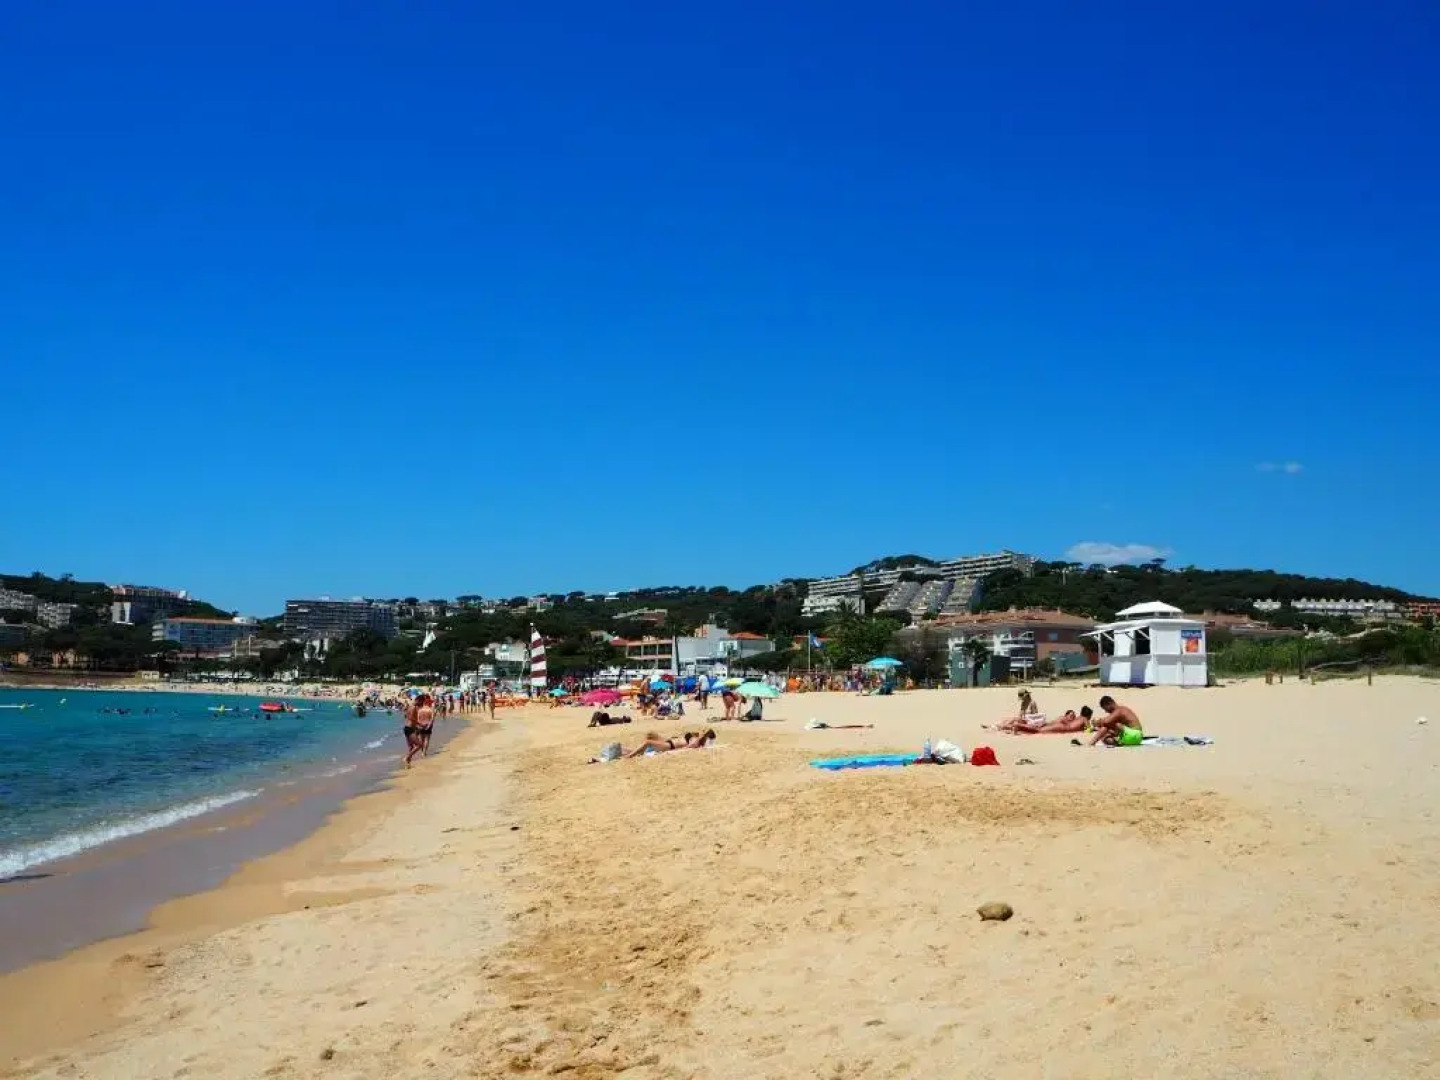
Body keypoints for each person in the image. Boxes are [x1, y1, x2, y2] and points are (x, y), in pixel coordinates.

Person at [624, 729, 717, 757]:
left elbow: (687, 747)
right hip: (668, 741)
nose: (702, 730)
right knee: (649, 735)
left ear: (706, 735)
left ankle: (628, 756)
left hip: (669, 746)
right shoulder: (695, 736)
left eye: (704, 731)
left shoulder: (696, 742)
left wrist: (670, 752)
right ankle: (628, 751)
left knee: (647, 742)